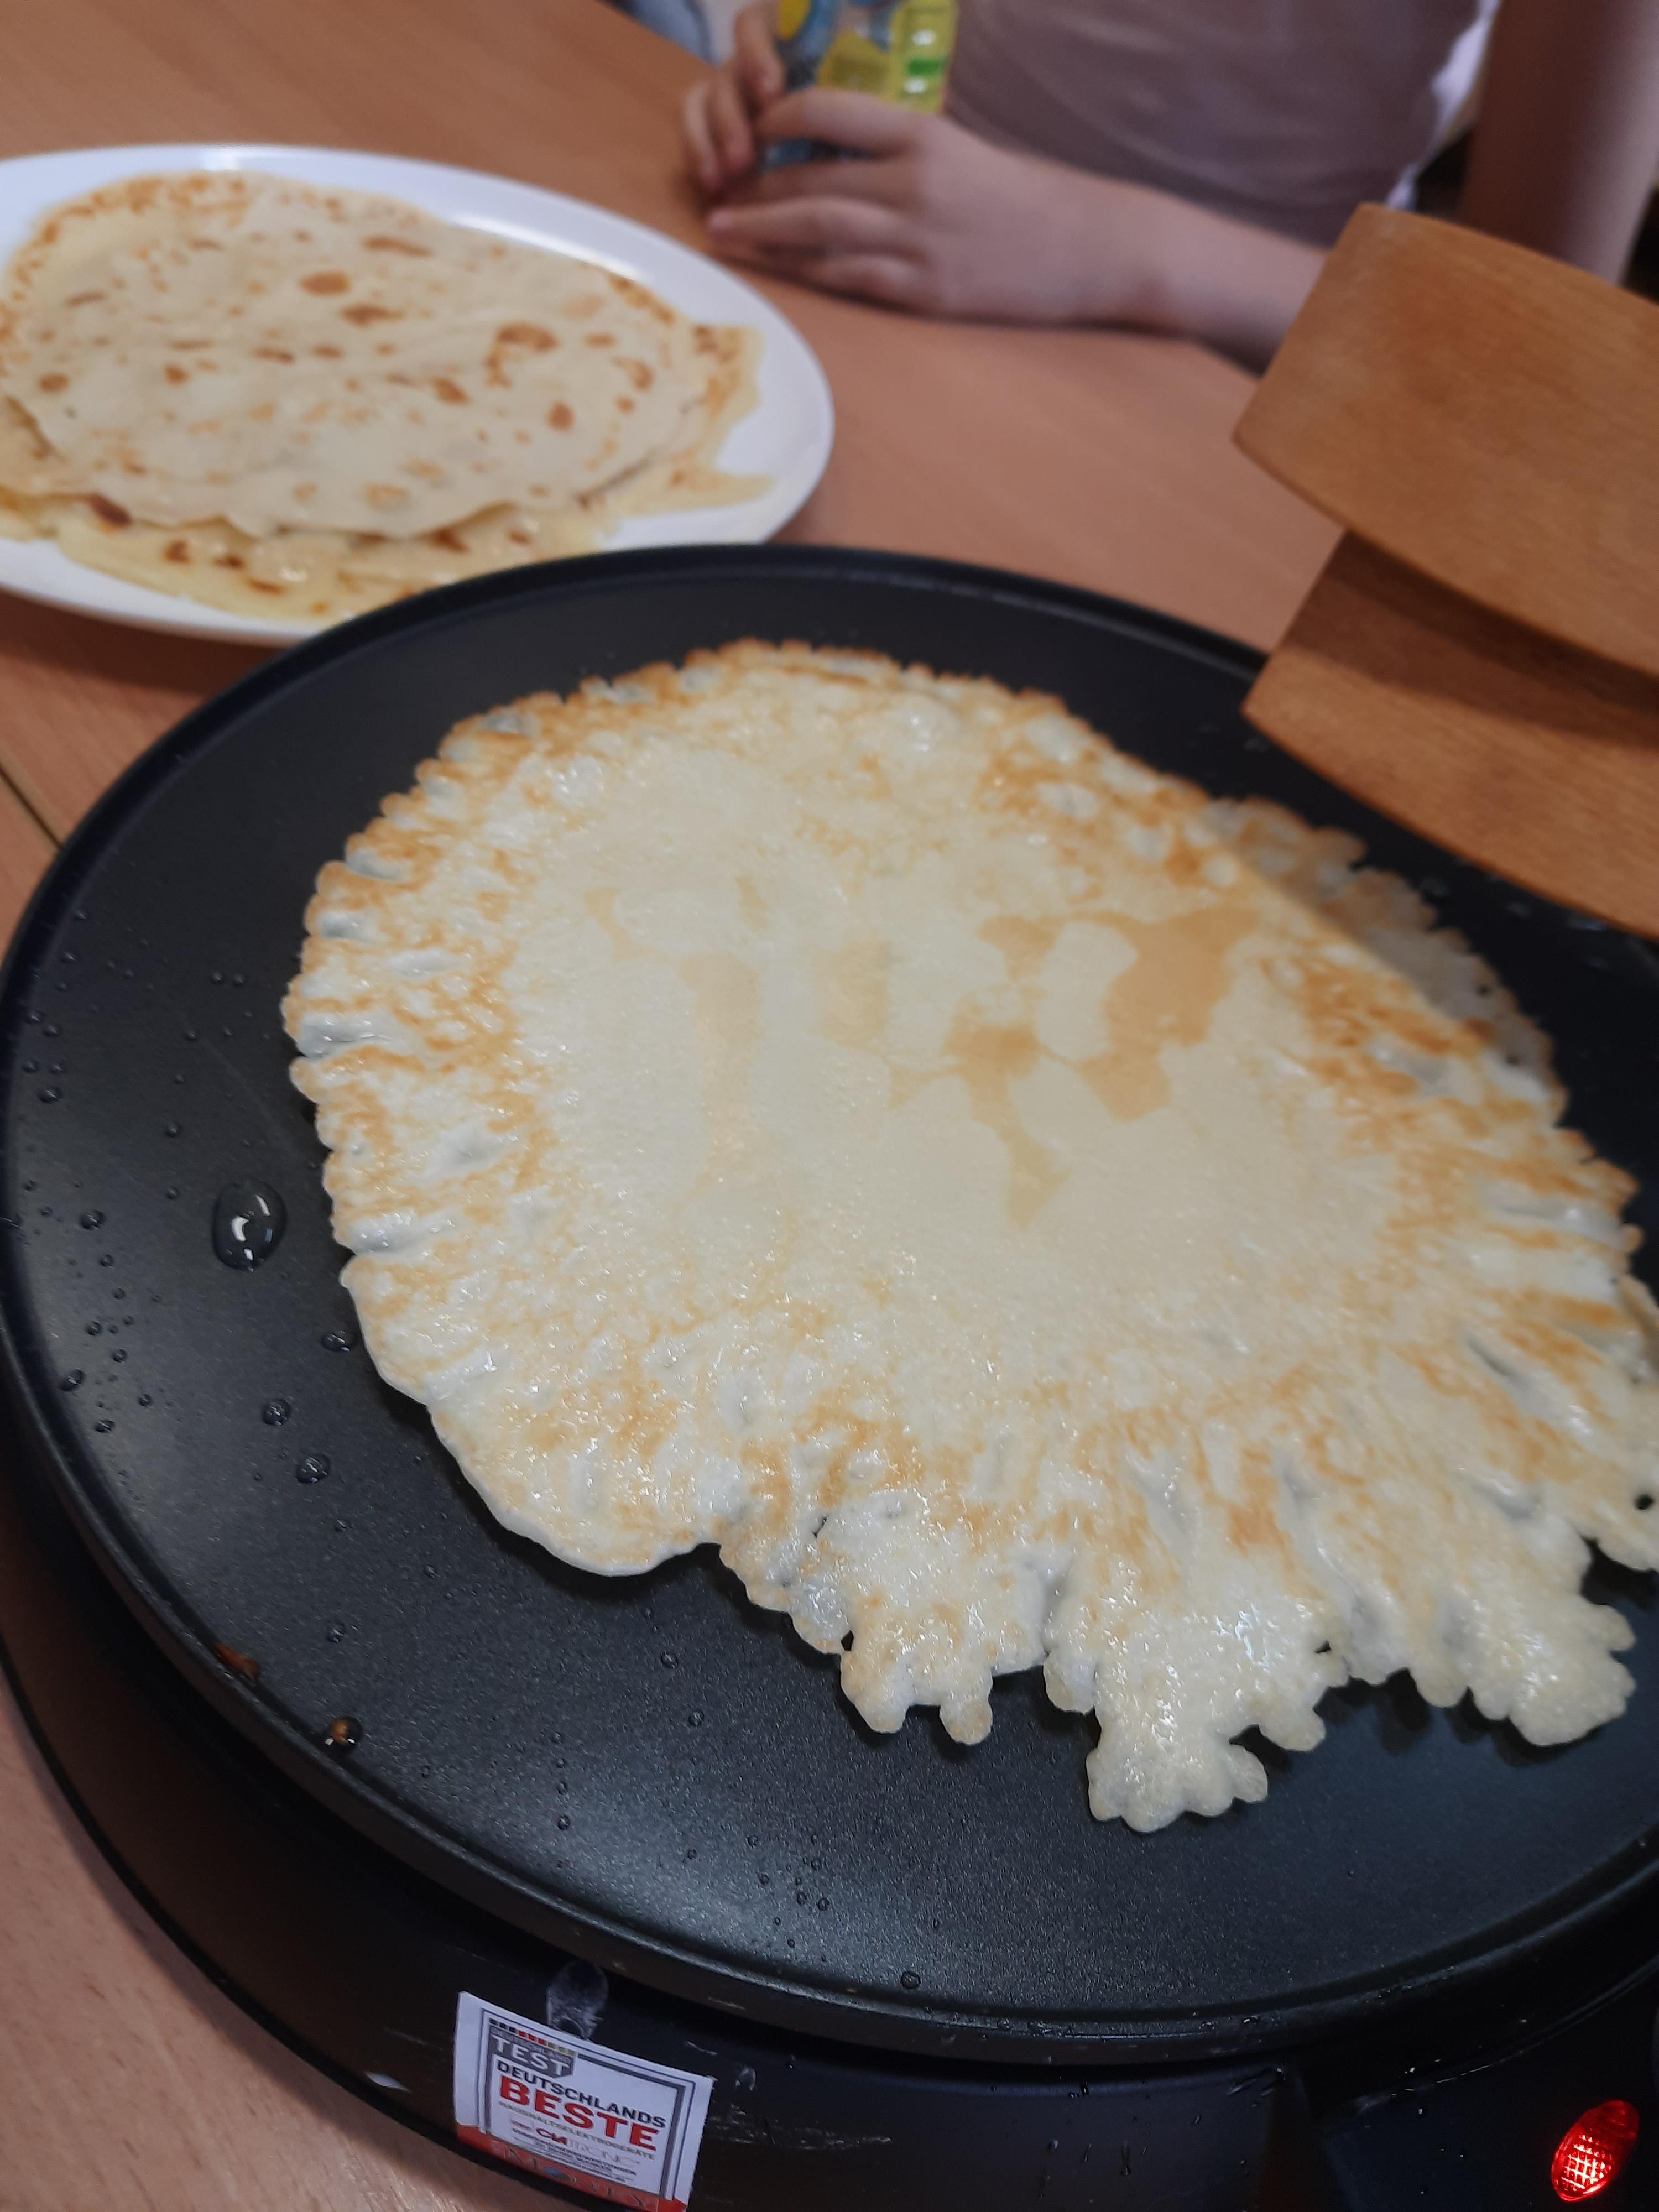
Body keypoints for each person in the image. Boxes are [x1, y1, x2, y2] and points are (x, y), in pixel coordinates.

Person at [681, 0, 1659, 365]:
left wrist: (1101, 245)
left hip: (1235, 386)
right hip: (894, 250)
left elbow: (1528, 338)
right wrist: (817, 47)